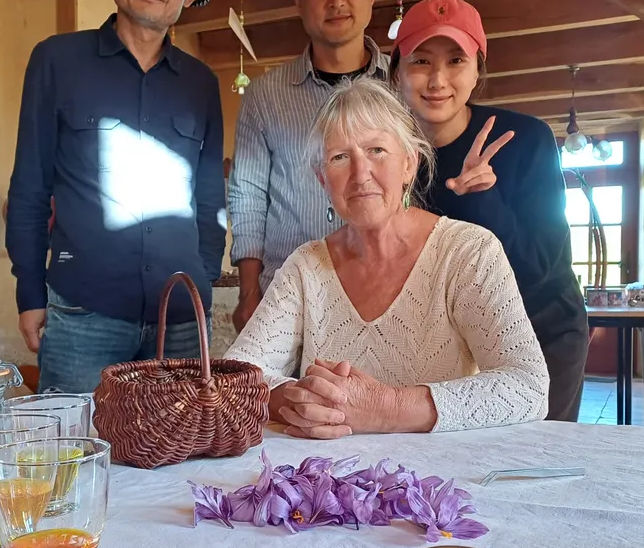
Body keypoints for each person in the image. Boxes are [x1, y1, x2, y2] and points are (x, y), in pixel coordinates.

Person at [224, 78, 549, 438]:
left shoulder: (468, 252)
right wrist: (297, 399)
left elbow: (528, 386)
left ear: (409, 164)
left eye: (376, 150)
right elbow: (235, 376)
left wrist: (387, 408)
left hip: (442, 484)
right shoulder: (306, 266)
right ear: (322, 180)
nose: (360, 174)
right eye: (339, 157)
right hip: (332, 484)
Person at [5, 0, 225, 394]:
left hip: (182, 323)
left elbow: (210, 197)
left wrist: (203, 280)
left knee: (177, 459)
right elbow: (30, 185)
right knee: (73, 456)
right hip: (84, 313)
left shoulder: (202, 84)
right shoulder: (56, 61)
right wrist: (29, 290)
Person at [391, 0, 589, 422]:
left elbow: (541, 266)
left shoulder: (526, 140)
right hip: (450, 341)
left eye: (456, 60)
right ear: (397, 72)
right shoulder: (395, 157)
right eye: (421, 61)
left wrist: (482, 198)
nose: (437, 79)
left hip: (542, 332)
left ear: (477, 68)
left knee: (530, 465)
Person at [226, 0, 389, 333]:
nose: (336, 0)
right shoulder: (265, 96)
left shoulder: (401, 88)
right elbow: (247, 196)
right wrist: (249, 293)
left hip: (387, 294)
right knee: (285, 400)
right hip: (287, 298)